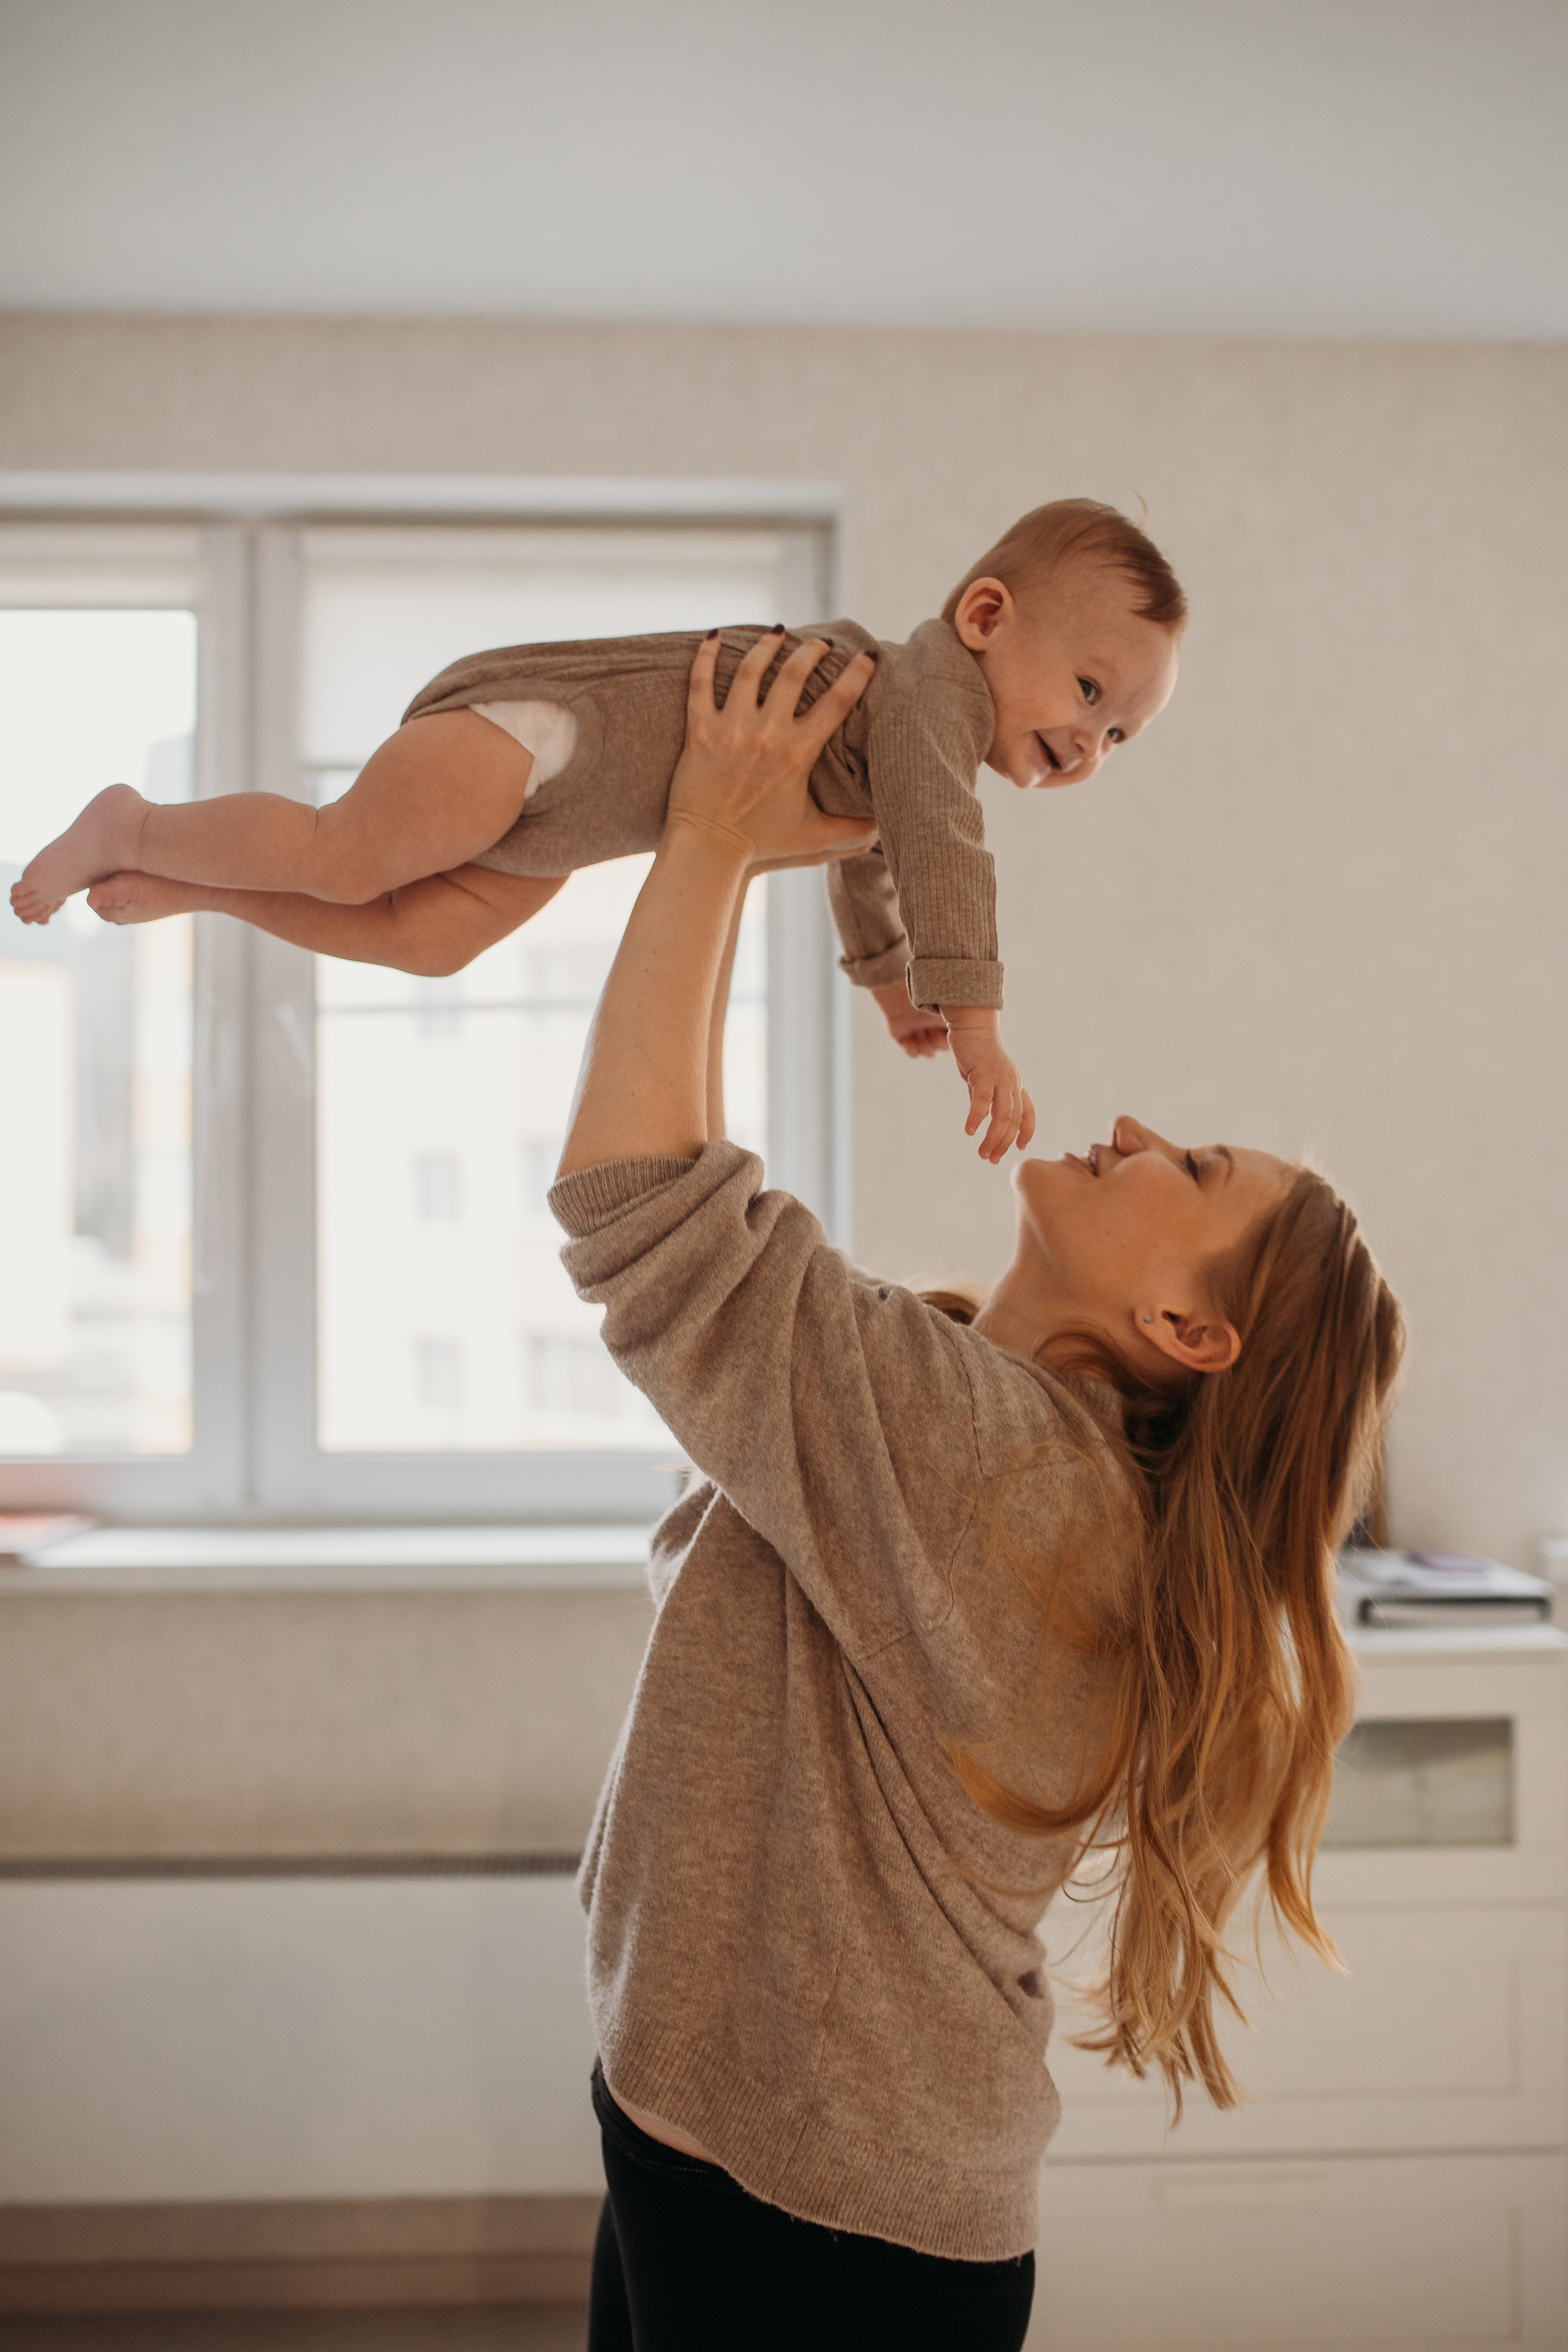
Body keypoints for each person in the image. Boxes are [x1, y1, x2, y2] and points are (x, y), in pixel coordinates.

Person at [548, 630, 1405, 2350]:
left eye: (1198, 1167)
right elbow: (713, 1234)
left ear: (1187, 1327)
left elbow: (641, 1202)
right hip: (744, 2142)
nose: (1148, 1122)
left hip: (817, 2211)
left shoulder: (1005, 1479)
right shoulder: (1000, 1445)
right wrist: (781, 873)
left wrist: (711, 840)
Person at [10, 499, 1184, 1163]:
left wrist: (888, 988)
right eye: (1089, 692)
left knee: (429, 941)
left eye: (1122, 737)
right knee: (348, 853)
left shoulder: (906, 744)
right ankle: (137, 819)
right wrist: (975, 1023)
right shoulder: (931, 696)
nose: (1092, 745)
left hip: (565, 822)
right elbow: (941, 848)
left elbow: (872, 863)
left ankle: (189, 879)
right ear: (986, 617)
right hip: (546, 731)